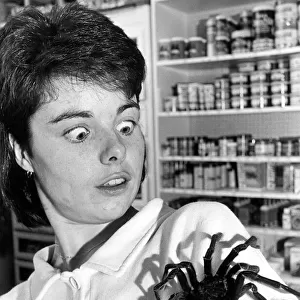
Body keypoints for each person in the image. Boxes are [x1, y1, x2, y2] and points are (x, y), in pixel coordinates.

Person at [0, 3, 298, 300]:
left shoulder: (195, 237)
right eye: (80, 133)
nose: (116, 149)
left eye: (126, 125)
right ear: (23, 152)